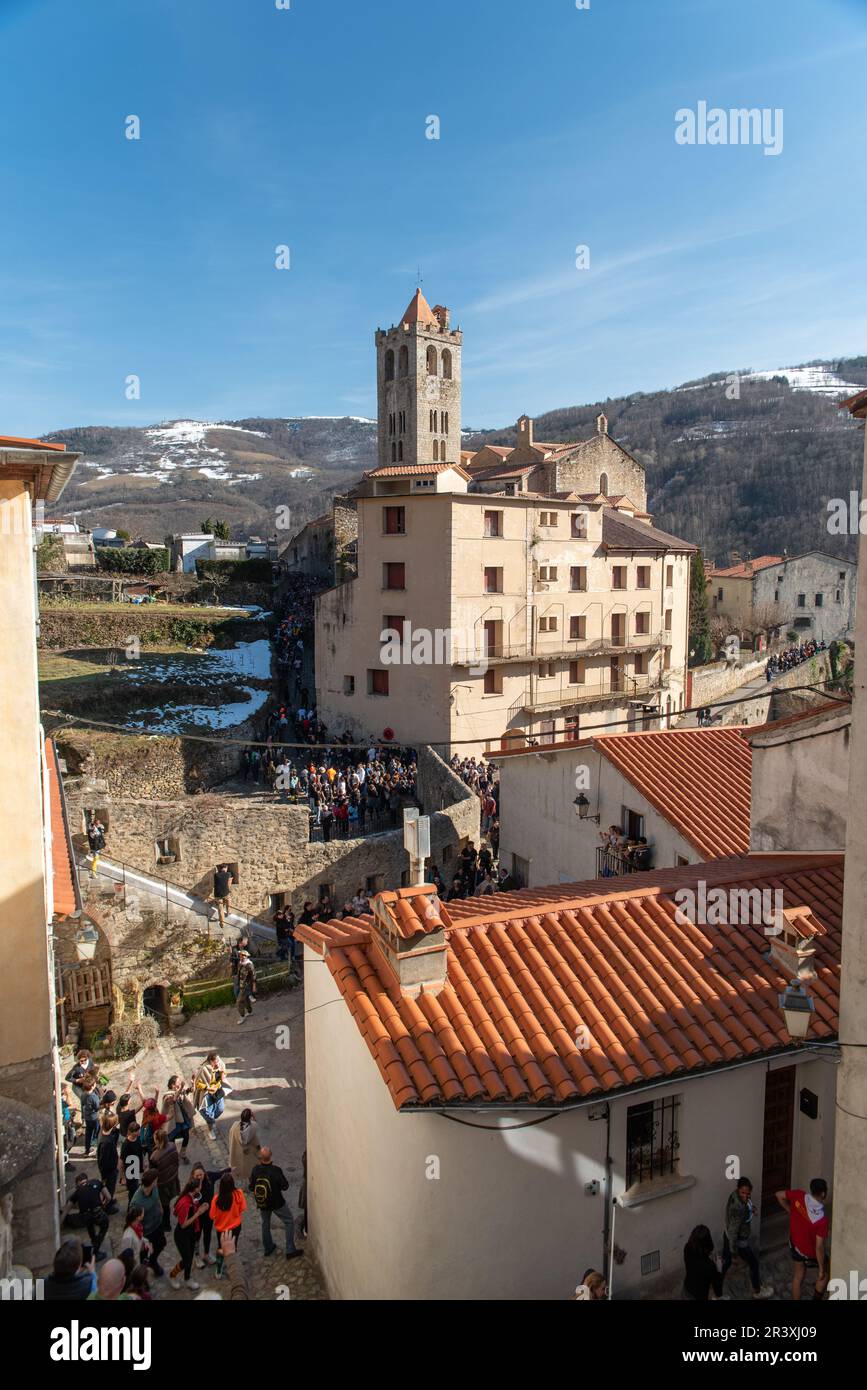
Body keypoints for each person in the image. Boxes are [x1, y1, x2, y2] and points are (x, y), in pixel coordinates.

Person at [776, 1178, 830, 1300]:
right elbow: (819, 1247)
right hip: (810, 1253)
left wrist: (790, 1210)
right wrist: (821, 1269)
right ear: (823, 1193)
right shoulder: (822, 1220)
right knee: (824, 1274)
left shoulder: (798, 1195)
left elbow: (778, 1195)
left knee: (798, 1277)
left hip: (795, 1246)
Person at [721, 1176, 774, 1298]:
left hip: (726, 1234)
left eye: (748, 1193)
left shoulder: (734, 1195)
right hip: (738, 1241)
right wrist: (734, 1253)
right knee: (754, 1263)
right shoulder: (739, 1207)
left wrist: (752, 1209)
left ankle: (715, 1285)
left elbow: (747, 1204)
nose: (745, 1196)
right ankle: (757, 1291)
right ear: (738, 1190)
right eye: (743, 1193)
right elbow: (734, 1232)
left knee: (725, 1263)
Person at [249, 1145, 302, 1260]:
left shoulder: (255, 1170)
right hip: (277, 1203)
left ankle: (268, 1248)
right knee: (289, 1221)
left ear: (260, 1158)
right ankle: (290, 1249)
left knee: (265, 1224)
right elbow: (285, 1186)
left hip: (263, 1203)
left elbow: (251, 1187)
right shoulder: (276, 1170)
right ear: (271, 1156)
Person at [170, 1177, 209, 1291]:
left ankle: (188, 1279)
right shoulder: (185, 1202)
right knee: (186, 1260)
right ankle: (173, 1275)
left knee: (190, 1258)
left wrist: (200, 1208)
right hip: (182, 1235)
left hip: (191, 1233)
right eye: (200, 1185)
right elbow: (183, 1224)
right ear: (196, 1188)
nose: (201, 1187)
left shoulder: (192, 1197)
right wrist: (198, 1213)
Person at [63, 1173, 111, 1258]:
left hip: (85, 1215)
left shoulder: (77, 1191)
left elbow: (66, 1209)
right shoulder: (97, 1182)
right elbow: (108, 1197)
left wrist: (59, 1223)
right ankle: (96, 1248)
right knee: (104, 1225)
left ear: (77, 1183)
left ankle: (94, 1241)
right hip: (97, 1212)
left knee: (90, 1226)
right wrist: (103, 1205)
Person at [210, 1172, 247, 1279]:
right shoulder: (238, 1194)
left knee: (220, 1248)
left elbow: (212, 1216)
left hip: (221, 1230)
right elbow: (243, 1209)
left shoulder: (216, 1199)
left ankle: (219, 1269)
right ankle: (233, 1269)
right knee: (233, 1247)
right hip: (235, 1227)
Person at [136, 1168, 168, 1278]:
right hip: (147, 1231)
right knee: (144, 1256)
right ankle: (142, 1278)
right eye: (156, 1180)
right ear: (153, 1182)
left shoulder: (154, 1188)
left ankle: (153, 1261)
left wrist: (160, 1208)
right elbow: (134, 1222)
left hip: (157, 1224)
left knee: (161, 1244)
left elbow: (157, 1197)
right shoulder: (137, 1201)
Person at [189, 1163, 219, 1267]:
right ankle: (196, 1256)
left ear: (204, 1173)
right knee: (196, 1237)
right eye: (197, 1175)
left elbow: (220, 1173)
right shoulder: (191, 1185)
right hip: (197, 1217)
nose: (199, 1177)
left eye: (201, 1175)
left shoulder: (210, 1177)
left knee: (207, 1234)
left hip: (209, 1215)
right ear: (193, 1175)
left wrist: (230, 1169)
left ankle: (206, 1254)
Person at [683, 1225, 724, 1300]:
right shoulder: (709, 1266)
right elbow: (718, 1292)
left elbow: (696, 1261)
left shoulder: (687, 1248)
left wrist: (707, 1257)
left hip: (686, 1290)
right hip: (699, 1296)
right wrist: (719, 1269)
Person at [152, 1127, 181, 1231]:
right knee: (172, 1199)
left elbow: (153, 1173)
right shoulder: (173, 1146)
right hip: (172, 1177)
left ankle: (166, 1225)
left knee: (164, 1205)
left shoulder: (155, 1156)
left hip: (162, 1183)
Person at [194, 1052, 227, 1136]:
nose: (218, 1062)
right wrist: (208, 1088)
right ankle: (211, 1128)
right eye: (216, 1061)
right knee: (208, 1113)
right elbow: (197, 1083)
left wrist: (223, 1074)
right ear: (211, 1061)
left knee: (220, 1108)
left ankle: (211, 1121)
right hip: (207, 1093)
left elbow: (224, 1072)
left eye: (219, 1060)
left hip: (217, 1090)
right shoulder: (204, 1069)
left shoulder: (220, 1064)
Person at [164, 1075, 194, 1159]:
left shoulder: (180, 1091)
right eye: (178, 1082)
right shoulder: (167, 1095)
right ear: (173, 1085)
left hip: (182, 1118)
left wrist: (192, 1083)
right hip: (173, 1120)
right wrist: (180, 1089)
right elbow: (172, 1100)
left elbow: (189, 1091)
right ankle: (173, 1154)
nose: (180, 1083)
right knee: (172, 1139)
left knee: (186, 1136)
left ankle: (183, 1153)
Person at [228, 1108, 261, 1182]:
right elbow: (256, 1139)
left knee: (243, 1166)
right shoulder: (253, 1127)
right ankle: (252, 1181)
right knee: (251, 1167)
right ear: (250, 1117)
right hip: (250, 1152)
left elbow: (231, 1136)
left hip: (239, 1152)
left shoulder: (235, 1126)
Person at [120, 1120, 145, 1211]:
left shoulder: (137, 1139)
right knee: (133, 1191)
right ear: (132, 1132)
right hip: (130, 1171)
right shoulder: (126, 1144)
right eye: (137, 1131)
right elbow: (122, 1161)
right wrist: (122, 1177)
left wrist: (143, 1165)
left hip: (137, 1168)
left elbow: (140, 1152)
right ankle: (131, 1209)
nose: (139, 1132)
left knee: (135, 1189)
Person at [80, 1074, 101, 1157]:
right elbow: (97, 1108)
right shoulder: (94, 1097)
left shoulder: (83, 1095)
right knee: (97, 1133)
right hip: (94, 1118)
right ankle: (97, 1151)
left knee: (88, 1133)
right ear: (92, 1086)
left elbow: (82, 1104)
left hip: (87, 1117)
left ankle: (87, 1150)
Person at [213, 863, 236, 928]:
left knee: (220, 909)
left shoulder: (216, 875)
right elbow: (229, 883)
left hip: (217, 894)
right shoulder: (228, 874)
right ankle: (228, 912)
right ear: (226, 868)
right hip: (225, 893)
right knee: (229, 899)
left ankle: (222, 924)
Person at [236, 949, 257, 1023]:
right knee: (245, 999)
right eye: (240, 955)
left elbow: (253, 975)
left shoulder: (249, 965)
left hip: (246, 986)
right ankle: (250, 1011)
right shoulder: (240, 963)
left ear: (246, 956)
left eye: (242, 955)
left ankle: (242, 1016)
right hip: (240, 984)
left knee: (239, 1002)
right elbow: (239, 974)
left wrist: (254, 986)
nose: (240, 957)